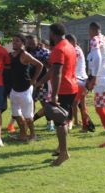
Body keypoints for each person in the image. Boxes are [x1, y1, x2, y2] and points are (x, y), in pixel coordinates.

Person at [47, 23, 78, 166]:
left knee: (60, 121)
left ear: (53, 33)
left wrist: (54, 95)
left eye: (49, 33)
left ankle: (64, 153)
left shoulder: (58, 49)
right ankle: (61, 148)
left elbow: (57, 72)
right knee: (63, 118)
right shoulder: (70, 46)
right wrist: (40, 81)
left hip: (64, 89)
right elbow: (54, 70)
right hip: (72, 86)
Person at [9, 33, 43, 141]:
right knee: (16, 114)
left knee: (28, 116)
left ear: (23, 43)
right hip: (14, 88)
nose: (14, 42)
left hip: (25, 89)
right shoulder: (11, 54)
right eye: (13, 40)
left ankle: (33, 135)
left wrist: (34, 79)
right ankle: (23, 134)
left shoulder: (25, 55)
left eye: (17, 41)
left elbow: (39, 65)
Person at [25, 35, 55, 132]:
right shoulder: (25, 52)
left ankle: (50, 123)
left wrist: (43, 61)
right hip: (29, 82)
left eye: (33, 42)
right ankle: (29, 123)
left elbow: (51, 66)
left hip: (42, 81)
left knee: (45, 104)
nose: (31, 44)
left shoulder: (44, 51)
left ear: (37, 42)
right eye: (29, 42)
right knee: (30, 103)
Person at [65, 34, 93, 132]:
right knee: (81, 105)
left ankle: (70, 124)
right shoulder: (78, 49)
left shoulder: (74, 50)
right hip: (82, 80)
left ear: (71, 42)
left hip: (77, 81)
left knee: (73, 104)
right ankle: (84, 125)